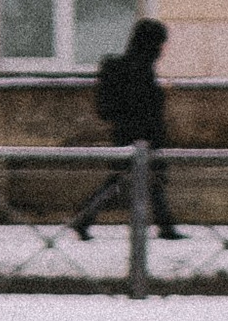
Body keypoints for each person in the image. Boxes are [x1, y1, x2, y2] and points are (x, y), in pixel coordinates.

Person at [73, 13, 179, 238]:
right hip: (140, 135)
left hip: (127, 133)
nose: (163, 49)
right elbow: (143, 105)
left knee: (135, 180)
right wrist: (160, 93)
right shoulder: (140, 69)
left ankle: (165, 226)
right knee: (125, 181)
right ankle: (83, 219)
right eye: (161, 43)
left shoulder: (129, 66)